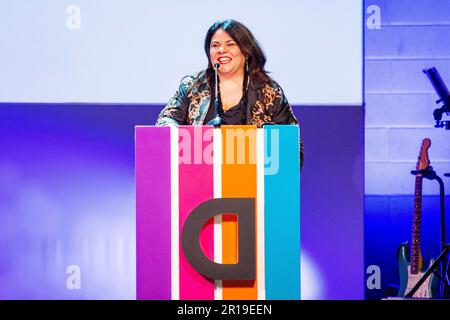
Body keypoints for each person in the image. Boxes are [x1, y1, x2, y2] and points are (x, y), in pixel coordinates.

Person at [156, 19, 303, 168]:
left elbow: (291, 145)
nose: (221, 50)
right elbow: (167, 118)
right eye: (215, 45)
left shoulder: (269, 92)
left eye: (230, 44)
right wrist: (175, 135)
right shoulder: (193, 86)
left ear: (246, 51)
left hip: (251, 183)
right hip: (198, 180)